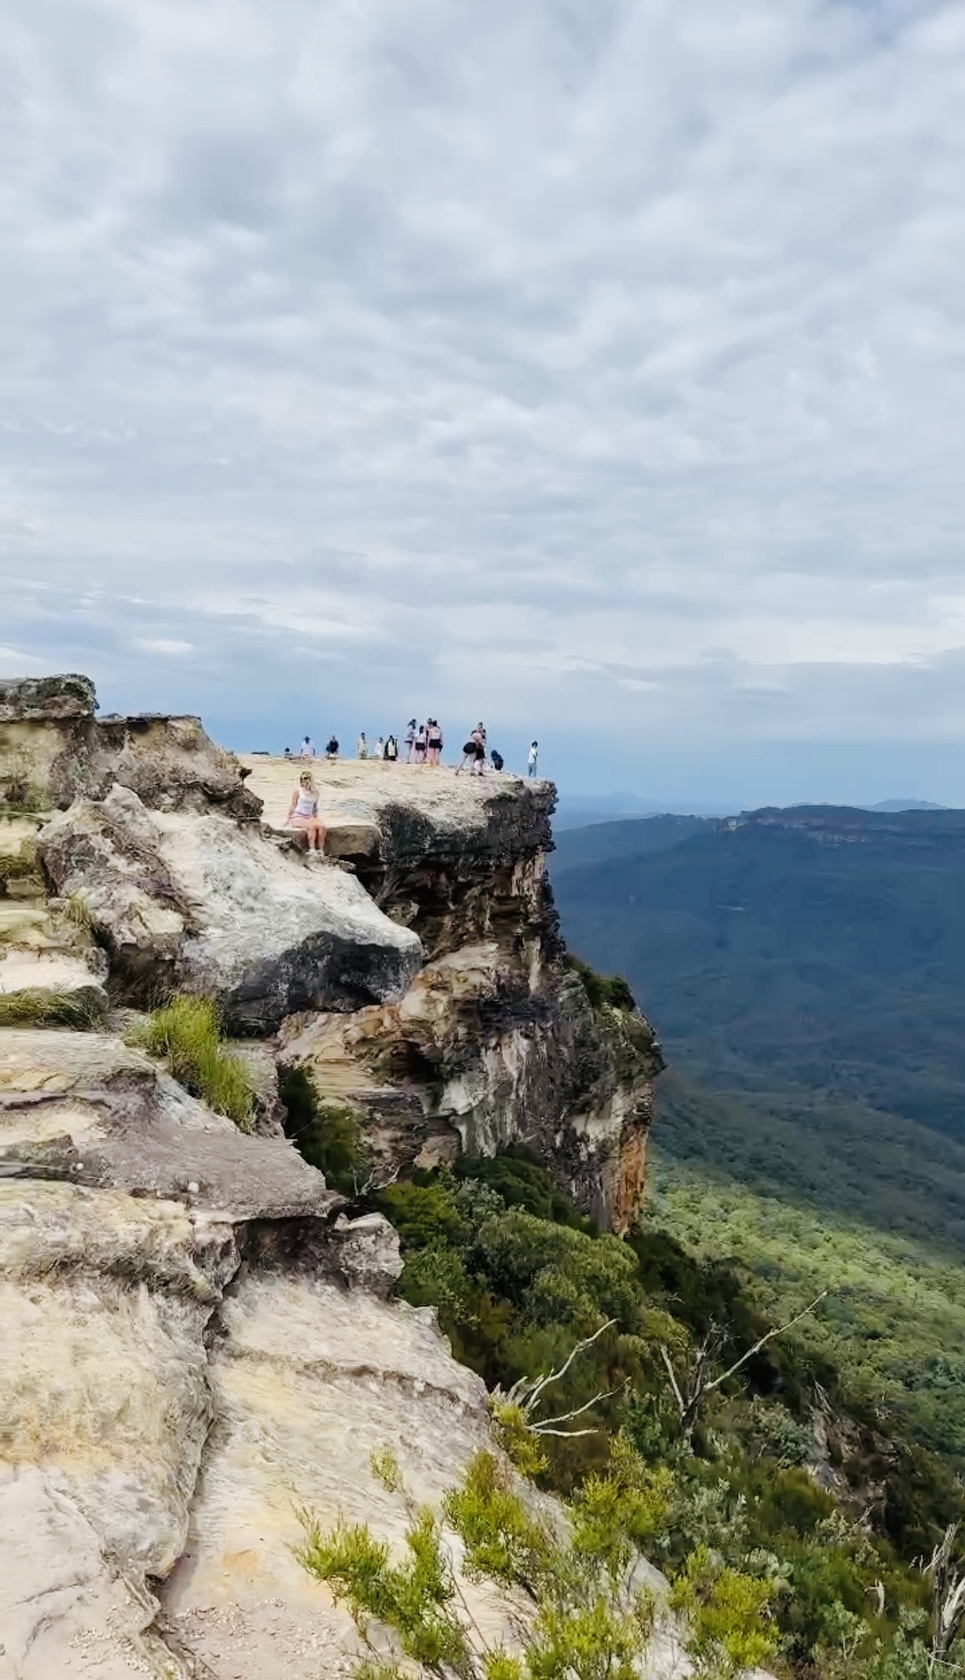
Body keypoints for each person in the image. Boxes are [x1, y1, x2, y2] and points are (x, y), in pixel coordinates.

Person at [286, 770, 327, 851]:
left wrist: (316, 819)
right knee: (311, 827)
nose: (303, 781)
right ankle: (312, 849)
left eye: (306, 778)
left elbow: (315, 808)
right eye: (302, 779)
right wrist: (287, 819)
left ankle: (320, 849)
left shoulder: (315, 793)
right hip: (298, 816)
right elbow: (293, 805)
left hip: (309, 816)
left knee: (322, 827)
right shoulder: (298, 791)